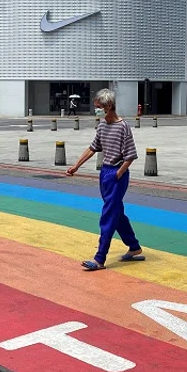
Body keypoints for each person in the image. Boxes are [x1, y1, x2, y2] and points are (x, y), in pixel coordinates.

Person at [66, 88, 144, 271]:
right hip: (105, 173)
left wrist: (118, 173)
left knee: (108, 214)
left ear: (109, 106)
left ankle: (100, 258)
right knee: (116, 213)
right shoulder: (102, 126)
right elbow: (93, 148)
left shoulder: (123, 126)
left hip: (117, 175)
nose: (97, 110)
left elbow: (130, 155)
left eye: (99, 107)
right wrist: (76, 165)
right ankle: (134, 247)